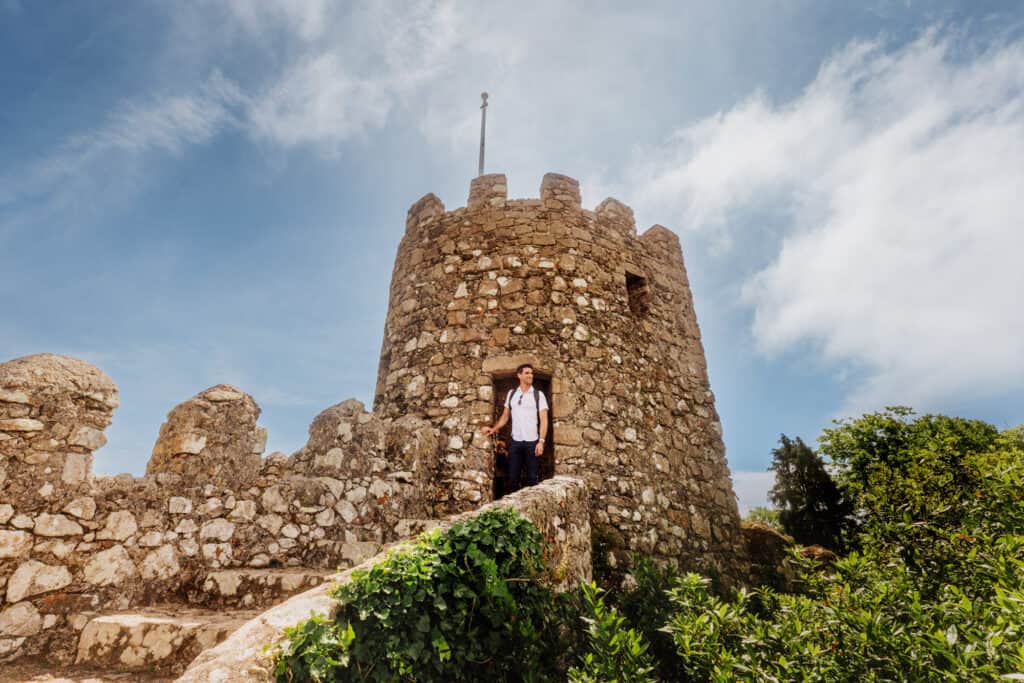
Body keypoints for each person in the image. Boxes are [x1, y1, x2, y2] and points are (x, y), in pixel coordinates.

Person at [481, 363, 549, 492]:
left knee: (532, 480)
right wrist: (493, 429)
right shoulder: (512, 394)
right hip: (515, 443)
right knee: (513, 479)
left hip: (532, 443)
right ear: (519, 375)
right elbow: (506, 416)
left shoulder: (538, 395)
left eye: (531, 373)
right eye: (527, 373)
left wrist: (541, 441)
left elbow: (544, 419)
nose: (530, 375)